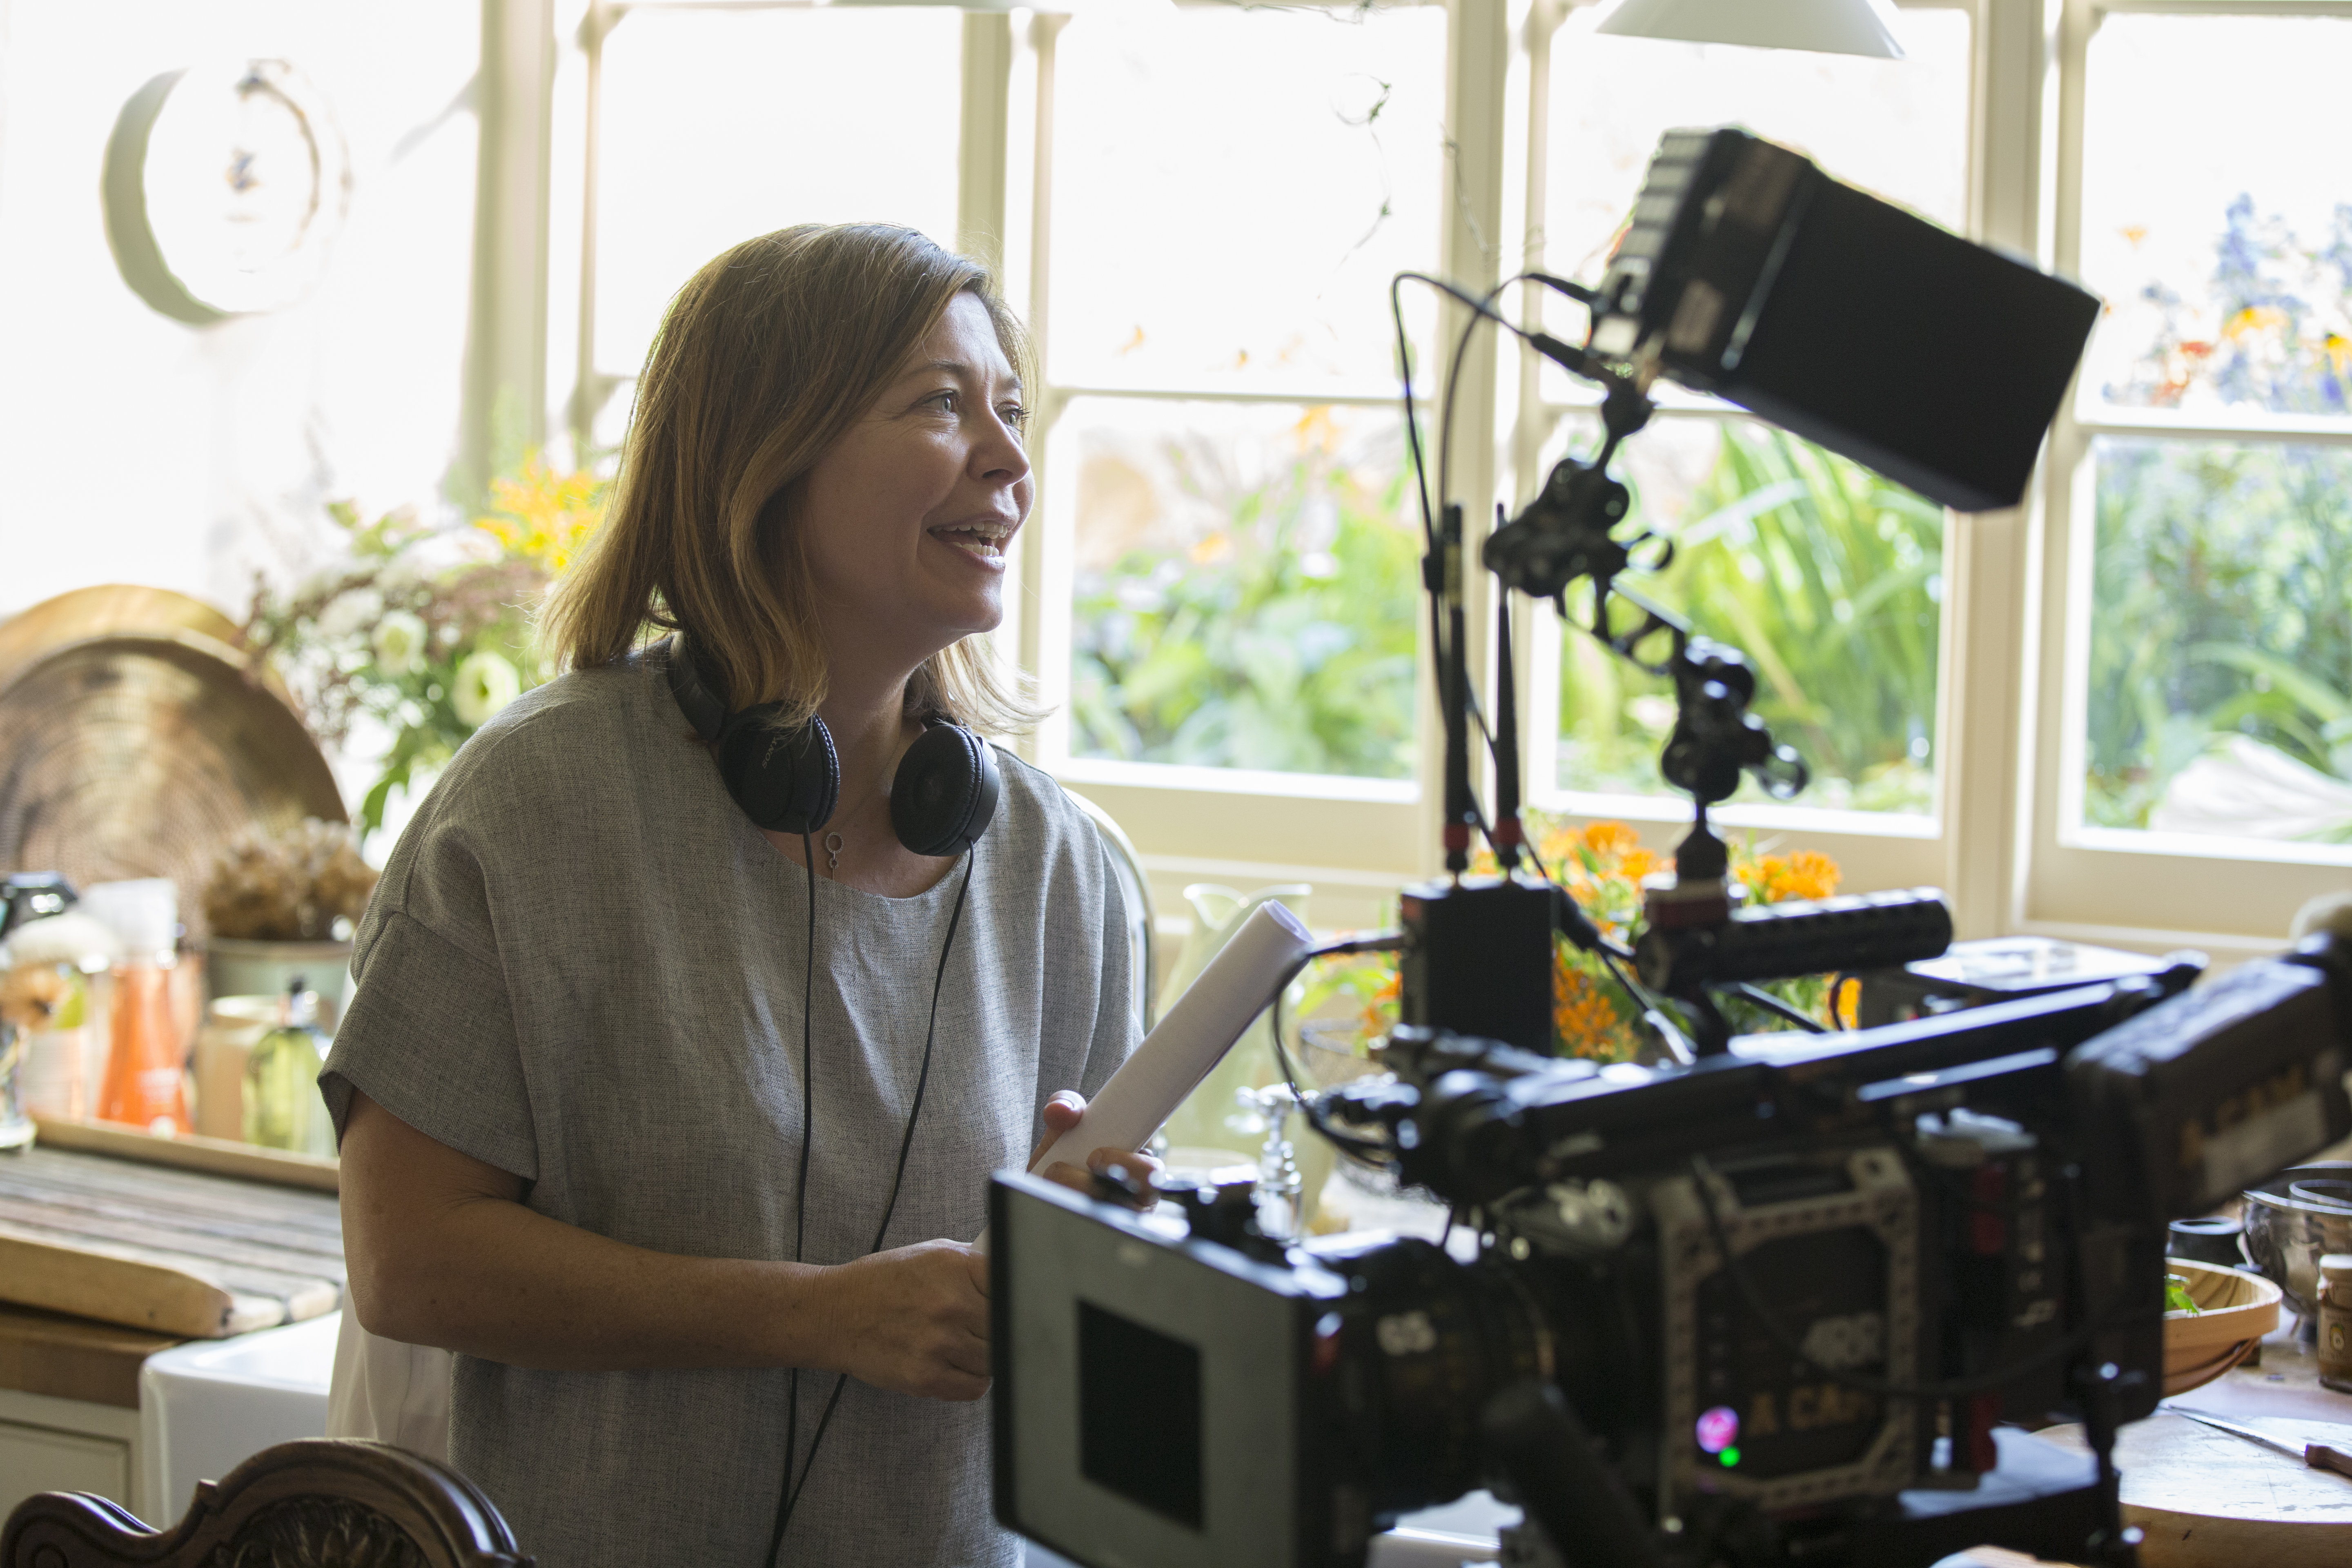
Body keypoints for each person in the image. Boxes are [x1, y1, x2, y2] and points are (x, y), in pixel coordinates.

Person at [325, 224, 1150, 1568]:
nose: (1010, 462)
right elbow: (410, 1263)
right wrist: (819, 1315)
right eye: (944, 404)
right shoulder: (533, 811)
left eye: (1010, 412)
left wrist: (1113, 1255)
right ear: (767, 456)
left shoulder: (1066, 873)